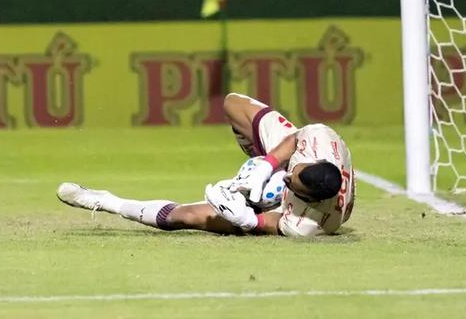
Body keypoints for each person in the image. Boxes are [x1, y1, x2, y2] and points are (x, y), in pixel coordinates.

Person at [57, 93, 355, 237]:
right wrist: (266, 165)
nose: (289, 178)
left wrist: (248, 219)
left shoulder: (310, 225)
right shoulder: (321, 139)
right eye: (293, 175)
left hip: (279, 210)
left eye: (293, 184)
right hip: (287, 156)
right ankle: (251, 175)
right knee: (233, 104)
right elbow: (294, 140)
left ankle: (105, 201)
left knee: (185, 216)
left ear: (311, 198)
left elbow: (276, 224)